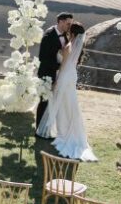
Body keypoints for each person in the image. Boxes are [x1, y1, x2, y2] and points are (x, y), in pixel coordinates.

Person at [36, 23, 97, 161]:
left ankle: (57, 129)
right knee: (69, 102)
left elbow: (63, 64)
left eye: (69, 31)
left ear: (73, 34)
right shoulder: (78, 47)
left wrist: (57, 80)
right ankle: (66, 128)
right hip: (72, 75)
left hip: (65, 74)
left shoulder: (69, 46)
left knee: (57, 101)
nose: (68, 32)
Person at [36, 12, 72, 134]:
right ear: (60, 22)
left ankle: (51, 129)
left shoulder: (66, 35)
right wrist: (60, 66)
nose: (69, 25)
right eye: (68, 23)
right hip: (47, 74)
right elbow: (43, 58)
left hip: (58, 74)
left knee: (55, 103)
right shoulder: (48, 36)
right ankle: (40, 130)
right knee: (44, 102)